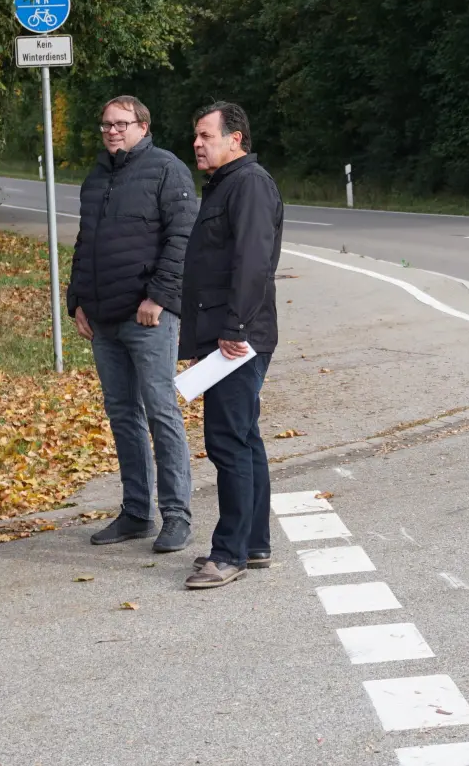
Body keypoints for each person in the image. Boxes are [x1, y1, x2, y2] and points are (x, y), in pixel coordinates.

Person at [68, 96, 199, 554]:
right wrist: (76, 301)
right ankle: (136, 513)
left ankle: (177, 516)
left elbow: (182, 238)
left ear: (143, 126)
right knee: (123, 414)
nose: (112, 131)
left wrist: (158, 297)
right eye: (106, 124)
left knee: (161, 411)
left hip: (148, 316)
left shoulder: (166, 169)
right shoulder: (96, 176)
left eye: (121, 123)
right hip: (103, 317)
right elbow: (85, 242)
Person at [181, 102, 283, 590]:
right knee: (243, 437)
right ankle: (254, 544)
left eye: (206, 136)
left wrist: (235, 326)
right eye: (196, 136)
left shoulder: (250, 184)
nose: (197, 144)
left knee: (228, 441)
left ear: (235, 138)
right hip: (227, 332)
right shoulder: (225, 184)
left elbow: (253, 261)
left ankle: (229, 554)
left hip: (238, 337)